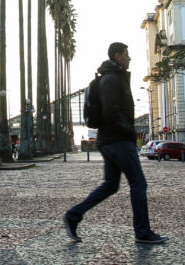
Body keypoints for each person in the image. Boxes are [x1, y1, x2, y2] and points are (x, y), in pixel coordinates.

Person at [63, 42, 168, 244]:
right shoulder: (112, 79)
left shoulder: (111, 77)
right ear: (118, 56)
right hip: (118, 141)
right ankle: (143, 232)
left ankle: (73, 215)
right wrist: (130, 131)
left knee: (110, 185)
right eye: (126, 54)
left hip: (109, 140)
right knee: (138, 183)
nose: (129, 58)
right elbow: (111, 111)